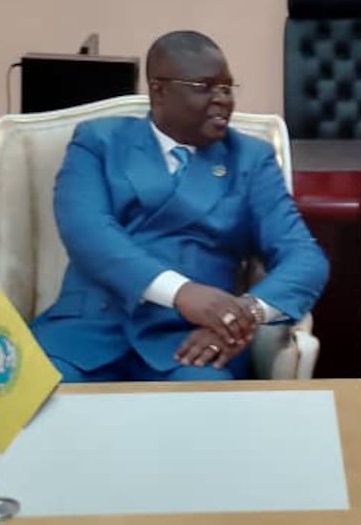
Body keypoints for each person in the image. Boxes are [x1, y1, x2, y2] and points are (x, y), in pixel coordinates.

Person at [31, 30, 329, 382]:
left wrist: (244, 314)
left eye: (227, 88)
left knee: (207, 403)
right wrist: (180, 292)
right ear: (159, 90)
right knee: (33, 399)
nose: (223, 100)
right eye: (205, 87)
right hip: (90, 328)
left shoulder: (250, 159)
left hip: (191, 340)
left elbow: (304, 257)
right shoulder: (99, 141)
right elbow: (88, 233)